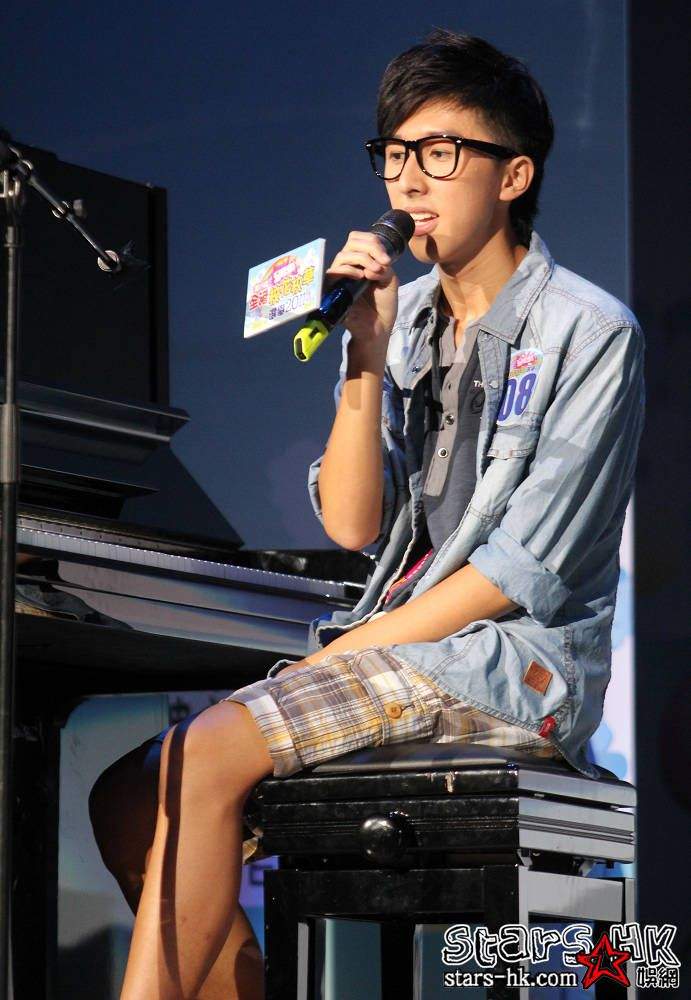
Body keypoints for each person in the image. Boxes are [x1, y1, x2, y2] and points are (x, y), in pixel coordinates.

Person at [89, 29, 645, 999]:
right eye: (393, 154)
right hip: (400, 647)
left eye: (441, 153)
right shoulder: (406, 315)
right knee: (129, 795)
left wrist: (342, 652)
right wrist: (364, 354)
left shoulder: (589, 331)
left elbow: (515, 573)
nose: (408, 180)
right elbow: (352, 525)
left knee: (202, 755)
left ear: (512, 175)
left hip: (508, 665)